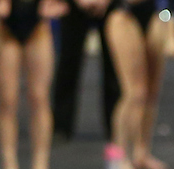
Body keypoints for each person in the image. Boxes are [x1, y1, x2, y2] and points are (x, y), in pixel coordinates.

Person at [0, 0, 67, 169]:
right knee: (8, 99)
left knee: (39, 97)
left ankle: (40, 166)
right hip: (6, 24)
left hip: (38, 23)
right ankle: (9, 166)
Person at [104, 0, 174, 169]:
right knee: (134, 92)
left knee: (152, 92)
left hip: (156, 14)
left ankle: (142, 152)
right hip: (124, 14)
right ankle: (120, 156)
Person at [51, 0, 121, 143]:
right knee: (68, 64)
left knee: (114, 67)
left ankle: (116, 127)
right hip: (73, 5)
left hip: (111, 5)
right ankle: (61, 126)